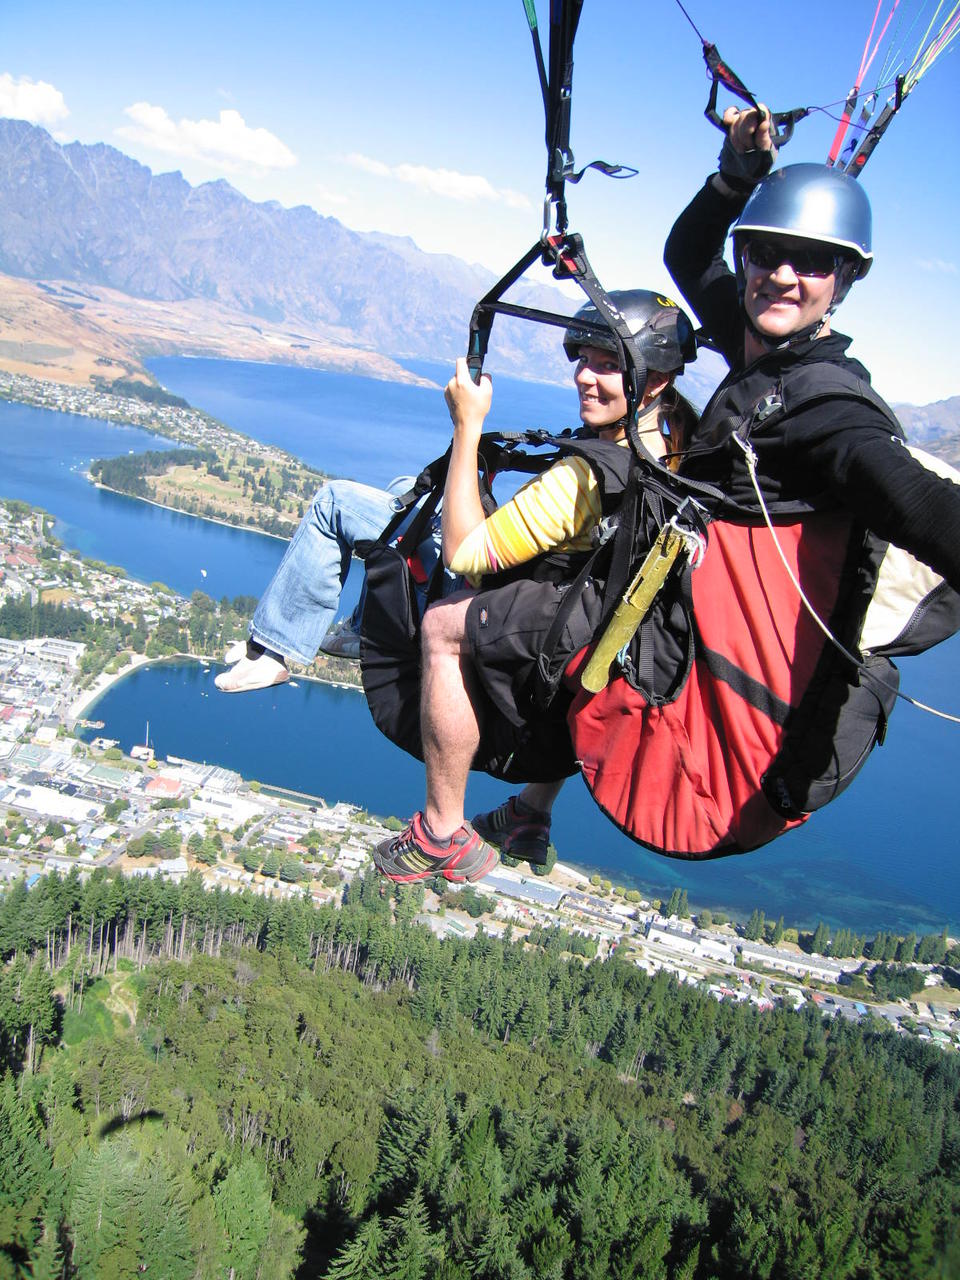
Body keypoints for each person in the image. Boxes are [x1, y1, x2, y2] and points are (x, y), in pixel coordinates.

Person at [570, 104, 960, 852]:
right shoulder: (760, 350)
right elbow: (689, 255)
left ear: (844, 280)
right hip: (687, 632)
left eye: (812, 262)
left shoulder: (826, 409)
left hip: (733, 745)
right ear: (746, 258)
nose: (782, 275)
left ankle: (448, 824)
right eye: (766, 253)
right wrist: (734, 176)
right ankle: (530, 810)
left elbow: (910, 497)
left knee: (468, 621)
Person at [372, 290, 698, 883]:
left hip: (572, 625)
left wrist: (468, 427)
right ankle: (530, 814)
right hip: (618, 622)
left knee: (442, 624)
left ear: (655, 379)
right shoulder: (679, 437)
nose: (585, 377)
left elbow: (465, 554)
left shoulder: (586, 476)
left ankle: (441, 831)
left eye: (608, 364)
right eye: (584, 359)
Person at [215, 476, 441, 692]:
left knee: (331, 504)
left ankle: (270, 649)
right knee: (402, 486)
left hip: (452, 566)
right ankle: (362, 629)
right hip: (458, 546)